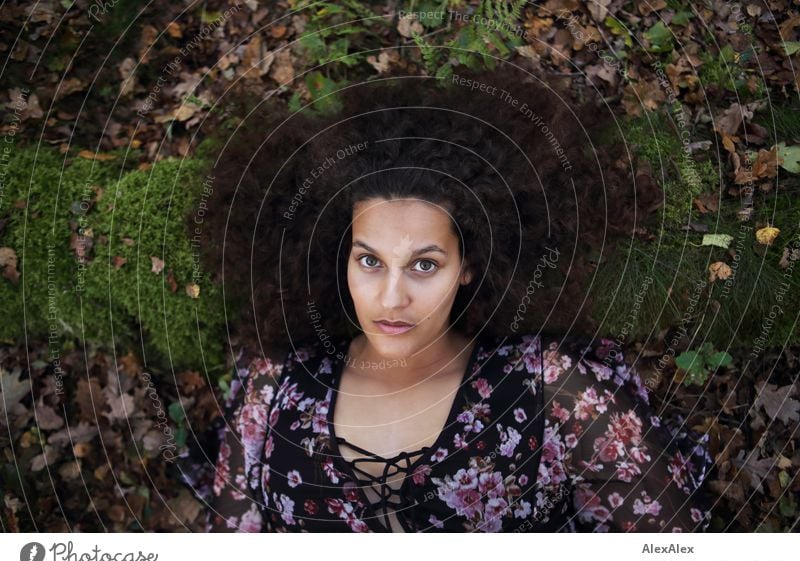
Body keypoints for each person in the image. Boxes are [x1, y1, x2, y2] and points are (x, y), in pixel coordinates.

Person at [176, 65, 713, 532]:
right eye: (369, 261)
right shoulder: (276, 390)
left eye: (425, 265)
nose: (392, 297)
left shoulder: (553, 391)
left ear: (468, 266)